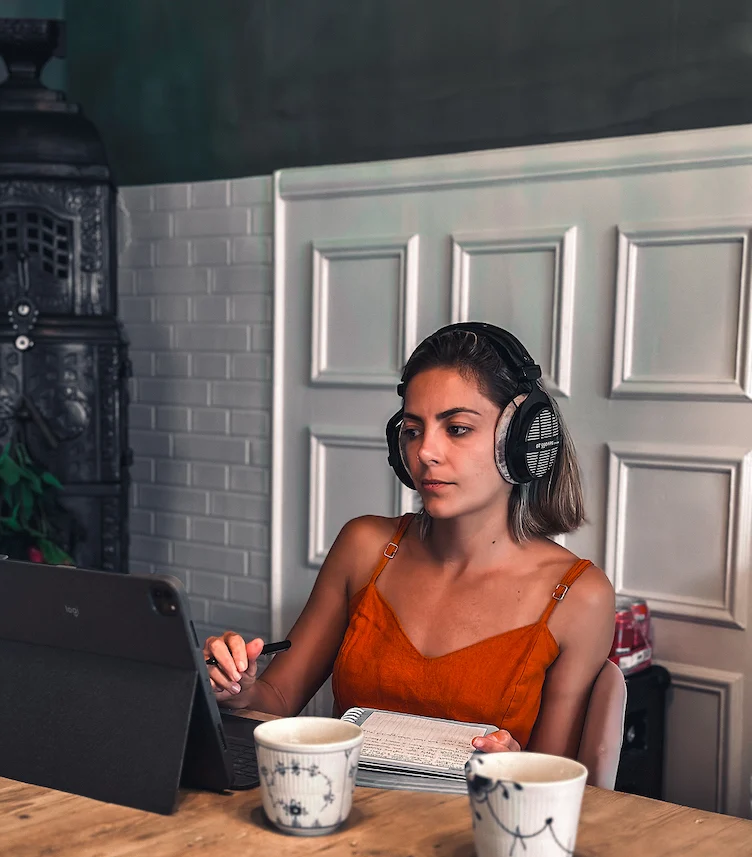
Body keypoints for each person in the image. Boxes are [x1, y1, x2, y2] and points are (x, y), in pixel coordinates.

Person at [203, 323, 615, 758]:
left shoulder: (578, 597)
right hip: (348, 814)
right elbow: (278, 702)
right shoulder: (364, 548)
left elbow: (559, 786)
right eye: (413, 429)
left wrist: (513, 768)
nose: (424, 452)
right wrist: (237, 690)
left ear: (523, 441)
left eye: (456, 428)